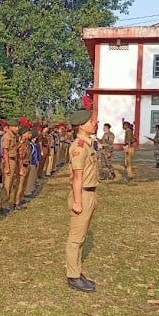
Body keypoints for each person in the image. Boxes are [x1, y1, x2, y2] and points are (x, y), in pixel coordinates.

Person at [66, 109, 99, 293]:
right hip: (82, 194)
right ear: (81, 125)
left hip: (89, 193)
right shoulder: (79, 147)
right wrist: (78, 202)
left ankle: (77, 271)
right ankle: (73, 276)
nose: (94, 123)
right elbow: (77, 177)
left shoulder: (88, 144)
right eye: (91, 121)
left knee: (81, 237)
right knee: (76, 238)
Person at [0, 118, 20, 216]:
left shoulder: (14, 136)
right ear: (10, 127)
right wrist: (7, 166)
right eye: (15, 126)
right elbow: (5, 152)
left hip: (13, 161)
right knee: (6, 185)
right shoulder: (7, 137)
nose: (17, 128)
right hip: (8, 161)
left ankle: (6, 204)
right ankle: (3, 206)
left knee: (11, 184)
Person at [15, 127, 32, 210]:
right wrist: (21, 168)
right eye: (27, 133)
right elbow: (19, 158)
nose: (29, 134)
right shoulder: (20, 144)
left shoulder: (27, 143)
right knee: (20, 185)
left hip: (27, 164)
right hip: (22, 166)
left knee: (24, 185)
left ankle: (21, 199)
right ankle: (16, 202)